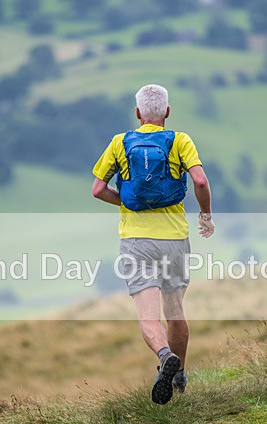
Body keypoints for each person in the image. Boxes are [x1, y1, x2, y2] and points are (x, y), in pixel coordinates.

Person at [91, 84, 215, 405]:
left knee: (148, 316)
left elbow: (97, 189)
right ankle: (179, 376)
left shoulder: (121, 143)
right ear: (167, 113)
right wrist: (206, 215)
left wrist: (126, 203)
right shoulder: (180, 140)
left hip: (136, 241)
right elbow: (200, 181)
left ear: (137, 114)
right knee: (175, 311)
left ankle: (163, 355)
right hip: (174, 238)